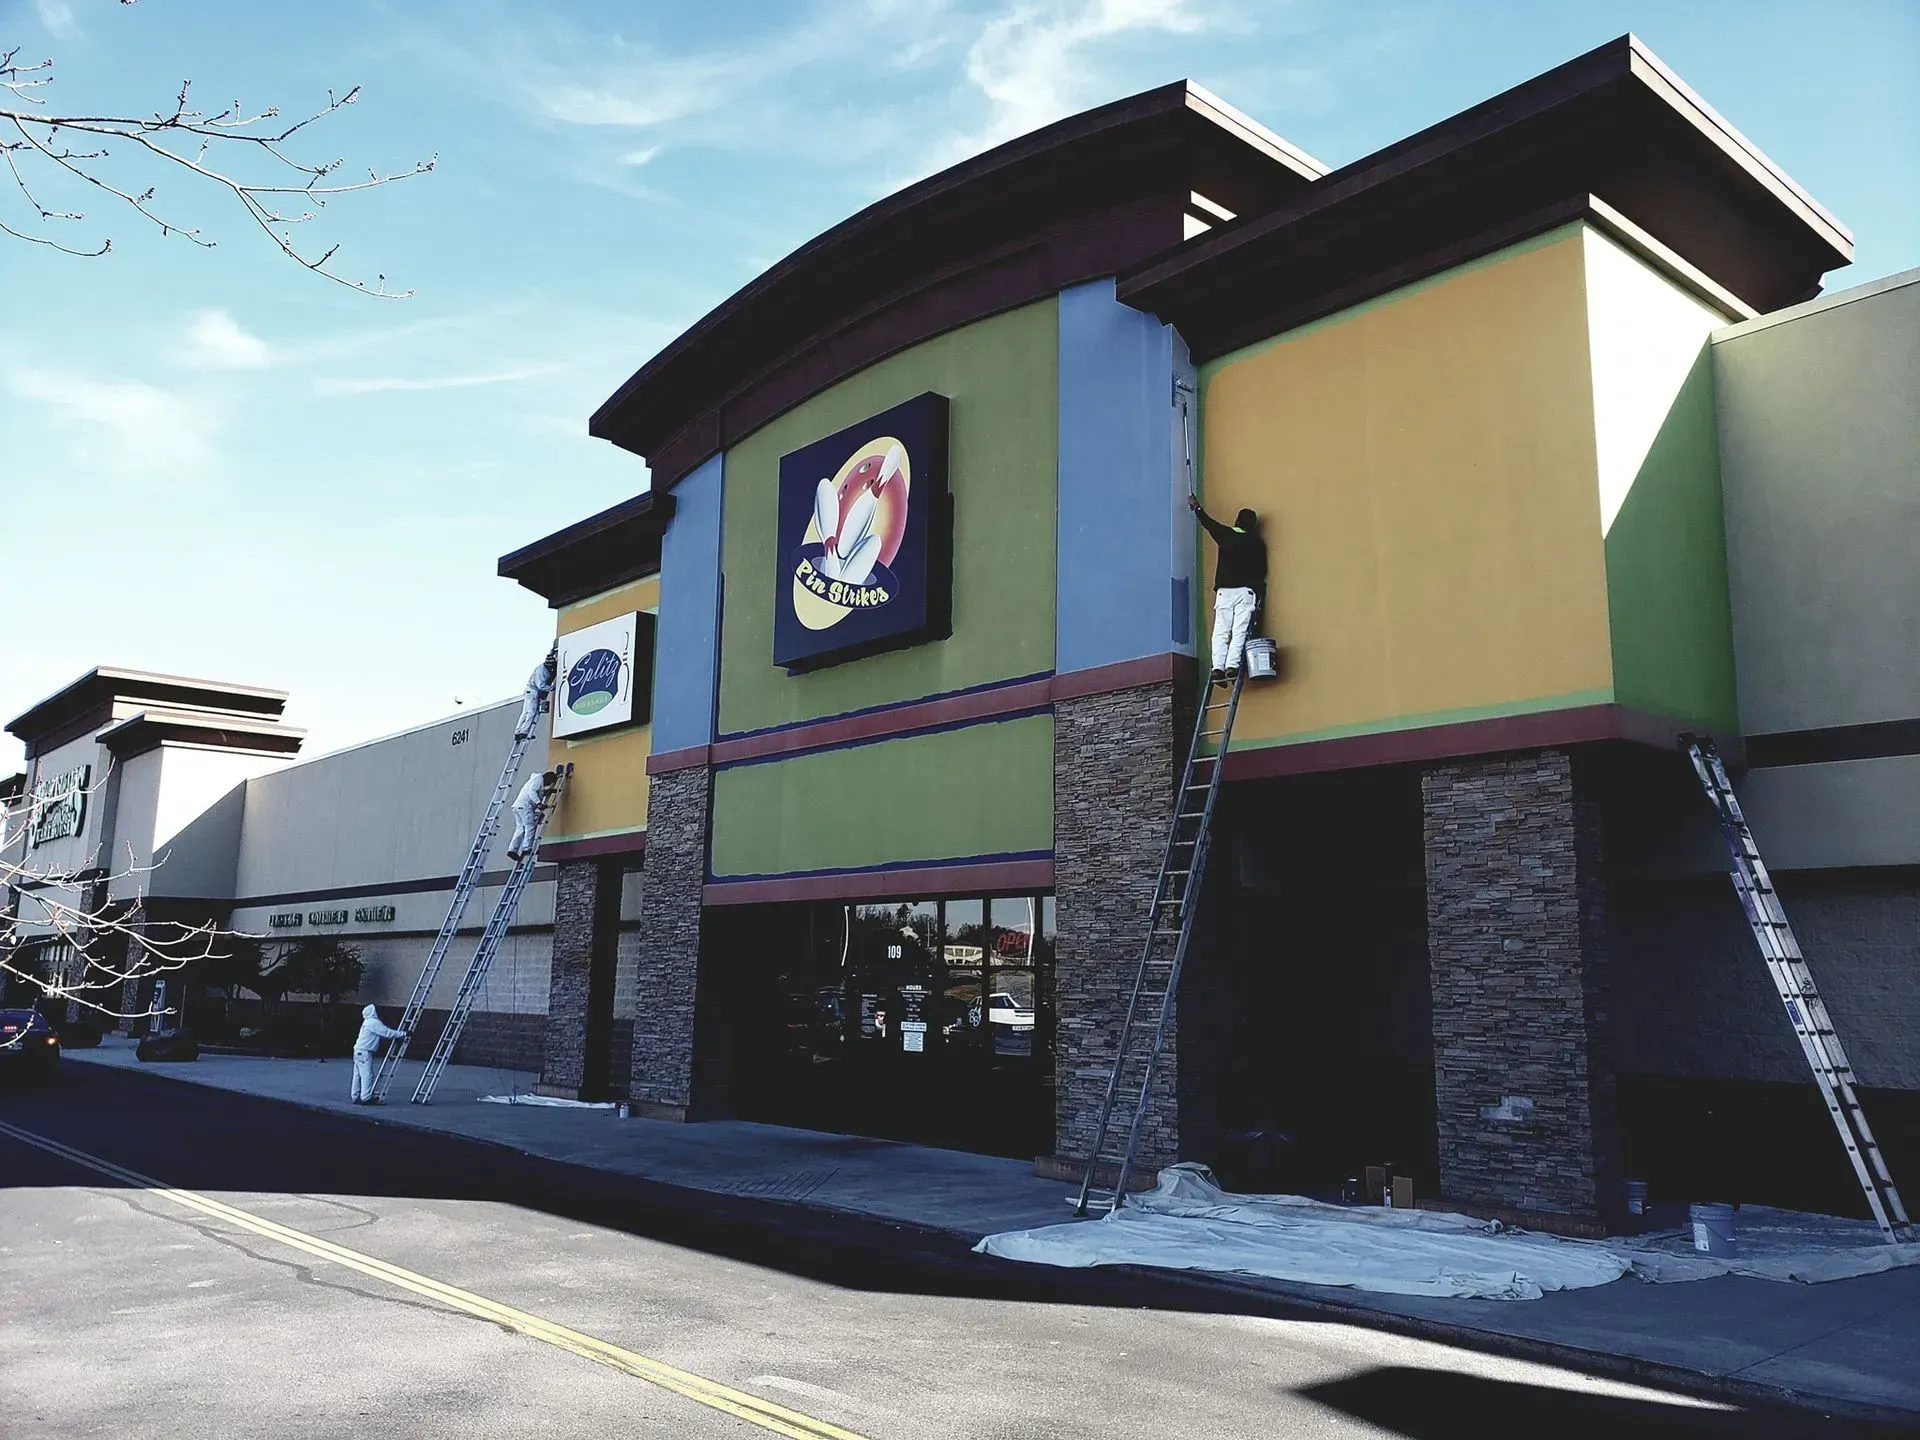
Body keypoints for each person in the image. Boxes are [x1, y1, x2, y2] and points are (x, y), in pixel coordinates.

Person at [1187, 494, 1267, 684]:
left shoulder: (1226, 534)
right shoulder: (1257, 543)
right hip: (1246, 593)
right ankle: (1232, 666)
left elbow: (1208, 523)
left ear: (1238, 520)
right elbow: (1263, 571)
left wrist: (1196, 507)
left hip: (1225, 592)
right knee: (1240, 631)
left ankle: (1218, 668)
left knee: (1221, 631)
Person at [350, 1004, 407, 1104]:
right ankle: (366, 1097)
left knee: (357, 1075)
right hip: (365, 1052)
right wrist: (403, 1034)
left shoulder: (366, 1022)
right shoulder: (373, 1022)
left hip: (358, 1050)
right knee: (367, 1075)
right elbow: (386, 1032)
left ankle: (355, 1096)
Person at [505, 769, 557, 862]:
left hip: (518, 806)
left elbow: (537, 791)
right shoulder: (538, 780)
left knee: (520, 828)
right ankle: (527, 848)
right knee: (530, 826)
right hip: (525, 807)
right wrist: (539, 804)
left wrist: (546, 792)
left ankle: (512, 849)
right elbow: (532, 791)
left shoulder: (535, 781)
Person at [514, 644, 560, 741]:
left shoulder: (544, 667)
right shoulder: (542, 671)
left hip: (529, 691)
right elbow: (541, 686)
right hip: (533, 692)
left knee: (525, 713)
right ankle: (523, 732)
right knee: (531, 712)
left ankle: (518, 732)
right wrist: (553, 688)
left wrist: (553, 650)